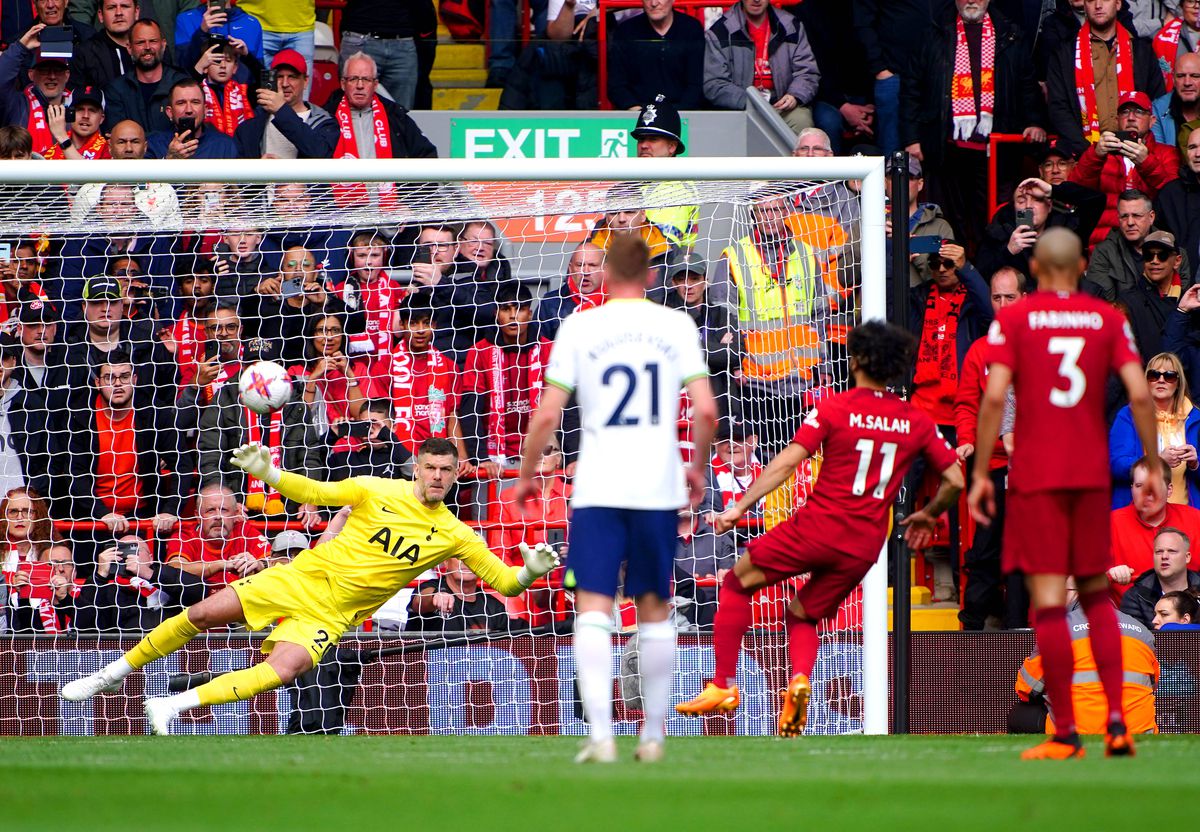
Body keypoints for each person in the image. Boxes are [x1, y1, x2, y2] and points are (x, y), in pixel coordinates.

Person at [60, 437, 561, 735]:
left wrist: (532, 571)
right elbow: (315, 492)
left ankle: (170, 706)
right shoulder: (374, 489)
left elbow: (507, 584)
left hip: (331, 615)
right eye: (428, 467)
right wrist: (268, 472)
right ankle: (109, 676)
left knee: (285, 668)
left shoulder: (456, 533)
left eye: (445, 471)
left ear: (456, 475)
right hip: (298, 579)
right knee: (202, 615)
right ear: (416, 468)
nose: (435, 476)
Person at [675, 321, 962, 735]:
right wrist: (930, 513)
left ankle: (721, 684)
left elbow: (789, 461)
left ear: (858, 359)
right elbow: (954, 477)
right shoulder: (915, 420)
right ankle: (799, 682)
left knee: (737, 584)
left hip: (818, 526)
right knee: (803, 613)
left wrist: (740, 507)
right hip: (864, 545)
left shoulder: (834, 407)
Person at [514, 234, 718, 763]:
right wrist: (695, 469)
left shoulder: (582, 325)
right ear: (652, 276)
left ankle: (601, 736)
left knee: (593, 609)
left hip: (600, 485)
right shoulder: (676, 324)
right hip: (656, 484)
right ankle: (652, 735)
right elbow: (706, 411)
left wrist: (527, 473)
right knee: (654, 608)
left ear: (604, 276)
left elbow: (546, 414)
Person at [969, 226, 1163, 759]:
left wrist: (983, 470)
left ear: (1034, 271)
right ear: (1082, 268)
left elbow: (992, 401)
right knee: (1098, 597)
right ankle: (1119, 723)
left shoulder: (1014, 319)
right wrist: (1149, 463)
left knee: (1053, 606)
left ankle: (1066, 733)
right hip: (1088, 474)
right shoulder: (1108, 319)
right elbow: (1141, 394)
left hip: (1037, 476)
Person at [899, 0, 1046, 248]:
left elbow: (1026, 85)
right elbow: (912, 89)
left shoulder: (1010, 34)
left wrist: (1034, 121)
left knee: (989, 226)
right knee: (945, 226)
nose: (971, 0)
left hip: (996, 153)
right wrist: (912, 138)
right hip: (946, 150)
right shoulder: (934, 31)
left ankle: (988, 280)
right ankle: (947, 283)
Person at [955, 266, 1028, 630]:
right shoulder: (980, 351)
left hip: (1032, 469)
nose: (1001, 304)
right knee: (984, 550)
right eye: (996, 298)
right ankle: (970, 631)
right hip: (992, 465)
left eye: (1009, 297)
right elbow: (967, 404)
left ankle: (1017, 630)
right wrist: (967, 440)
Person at [1014, 580, 1159, 736]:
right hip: (1140, 732)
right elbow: (1153, 685)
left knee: (1018, 715)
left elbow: (1026, 689)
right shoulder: (1142, 632)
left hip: (1079, 730)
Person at [1045, 0, 1165, 156]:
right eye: (1091, 0)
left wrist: (1144, 149)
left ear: (1118, 4)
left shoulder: (1142, 51)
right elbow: (1058, 109)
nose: (1098, 5)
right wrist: (1089, 152)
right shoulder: (1064, 54)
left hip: (1136, 153)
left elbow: (1157, 103)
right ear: (1085, 6)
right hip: (1084, 156)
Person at [322, 51, 437, 209]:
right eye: (353, 79)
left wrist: (409, 205)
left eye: (366, 79)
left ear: (375, 84)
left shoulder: (396, 117)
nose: (360, 85)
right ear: (343, 83)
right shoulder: (326, 118)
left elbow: (428, 159)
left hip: (392, 220)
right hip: (340, 219)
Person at [460, 282, 552, 477]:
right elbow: (470, 411)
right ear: (496, 314)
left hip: (540, 455)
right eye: (506, 309)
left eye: (519, 309)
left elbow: (565, 408)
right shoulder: (479, 352)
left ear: (530, 313)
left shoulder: (549, 349)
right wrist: (481, 458)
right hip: (493, 460)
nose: (512, 316)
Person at [1067, 93, 1179, 249]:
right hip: (1104, 245)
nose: (1131, 117)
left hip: (1150, 249)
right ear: (1117, 120)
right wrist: (1095, 155)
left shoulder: (1166, 153)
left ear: (1152, 121)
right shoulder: (1100, 152)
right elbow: (1075, 192)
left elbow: (1175, 199)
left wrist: (1146, 162)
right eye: (1125, 112)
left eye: (1139, 112)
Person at [702, 0, 819, 133]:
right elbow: (714, 84)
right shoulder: (720, 30)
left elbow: (807, 72)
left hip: (783, 105)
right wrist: (749, 101)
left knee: (801, 121)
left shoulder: (791, 25)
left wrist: (794, 95)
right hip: (740, 106)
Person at [975, 175, 1104, 285]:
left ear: (1049, 206)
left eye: (1037, 200)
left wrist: (1052, 190)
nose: (1029, 206)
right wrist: (1008, 251)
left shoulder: (1068, 229)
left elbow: (1096, 200)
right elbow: (980, 279)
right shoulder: (998, 233)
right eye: (1021, 200)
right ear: (1013, 208)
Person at [74, 534, 206, 631]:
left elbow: (198, 591)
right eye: (120, 551)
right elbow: (84, 624)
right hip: (127, 657)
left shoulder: (167, 578)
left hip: (174, 653)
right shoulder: (108, 590)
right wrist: (99, 576)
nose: (127, 556)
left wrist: (149, 574)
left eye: (134, 550)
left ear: (150, 558)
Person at [1110, 456, 1200, 595]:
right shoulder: (1109, 524)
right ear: (1131, 489)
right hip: (1129, 613)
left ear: (1169, 490)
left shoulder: (1195, 519)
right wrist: (1109, 574)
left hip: (1190, 611)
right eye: (1140, 486)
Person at [163, 481, 273, 595]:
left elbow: (279, 562)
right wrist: (222, 565)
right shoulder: (185, 536)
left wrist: (259, 565)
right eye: (210, 510)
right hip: (197, 604)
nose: (218, 516)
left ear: (235, 514)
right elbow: (174, 569)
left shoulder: (246, 531)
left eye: (224, 510)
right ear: (198, 516)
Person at [233, 48, 337, 159]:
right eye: (279, 77)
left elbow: (320, 154)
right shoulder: (250, 126)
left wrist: (281, 110)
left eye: (292, 77)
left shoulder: (324, 122)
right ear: (271, 80)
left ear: (305, 81)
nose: (285, 83)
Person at [1087, 190, 1186, 301]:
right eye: (1124, 216)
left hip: (1167, 316)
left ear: (1151, 217)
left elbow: (1182, 302)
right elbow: (1101, 301)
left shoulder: (1175, 253)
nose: (1130, 222)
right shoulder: (1104, 253)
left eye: (1136, 216)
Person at [606, 0, 705, 111]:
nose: (653, 3)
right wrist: (635, 110)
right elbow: (616, 84)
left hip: (682, 114)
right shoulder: (625, 31)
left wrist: (679, 115)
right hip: (638, 113)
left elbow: (696, 83)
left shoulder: (691, 28)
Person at [103, 19, 191, 136]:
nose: (148, 47)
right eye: (140, 42)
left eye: (153, 41)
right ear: (129, 48)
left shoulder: (182, 84)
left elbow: (189, 132)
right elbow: (118, 138)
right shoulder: (116, 90)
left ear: (163, 45)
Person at [1117, 232, 1192, 359]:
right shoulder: (1128, 301)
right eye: (1148, 255)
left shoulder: (1190, 302)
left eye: (1162, 255)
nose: (1154, 261)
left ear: (1177, 261)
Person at [408, 556, 519, 633]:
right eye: (460, 555)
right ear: (446, 562)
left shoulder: (494, 607)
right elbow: (420, 601)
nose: (466, 561)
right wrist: (435, 597)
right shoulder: (429, 588)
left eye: (473, 556)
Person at [1120, 526, 1200, 626]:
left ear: (1187, 557)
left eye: (1172, 551)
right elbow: (1133, 638)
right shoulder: (1135, 597)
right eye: (1159, 552)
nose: (1164, 556)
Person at [146, 78, 241, 159]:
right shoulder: (154, 144)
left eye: (195, 102)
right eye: (181, 103)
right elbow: (143, 180)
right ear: (170, 112)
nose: (189, 110)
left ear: (205, 110)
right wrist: (169, 160)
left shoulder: (224, 145)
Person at [535, 242, 605, 340]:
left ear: (605, 269)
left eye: (592, 265)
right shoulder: (550, 303)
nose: (585, 272)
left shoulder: (616, 303)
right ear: (570, 269)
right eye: (580, 265)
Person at [71, 0, 135, 90]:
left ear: (136, 12)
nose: (119, 13)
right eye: (111, 7)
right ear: (101, 15)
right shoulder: (84, 54)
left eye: (125, 6)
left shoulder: (150, 48)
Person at [1152, 52, 1200, 149]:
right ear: (1173, 79)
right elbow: (1159, 155)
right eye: (1181, 76)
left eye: (1195, 76)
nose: (1187, 83)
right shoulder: (1158, 108)